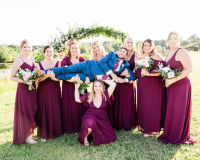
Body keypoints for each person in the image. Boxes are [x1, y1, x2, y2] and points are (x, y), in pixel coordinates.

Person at [158, 32, 195, 144]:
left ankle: (178, 135)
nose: (173, 40)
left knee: (179, 109)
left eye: (175, 38)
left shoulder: (181, 51)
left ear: (179, 40)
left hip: (180, 85)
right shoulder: (170, 51)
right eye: (171, 38)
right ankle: (171, 132)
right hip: (171, 85)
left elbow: (189, 69)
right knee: (172, 109)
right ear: (167, 41)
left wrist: (173, 80)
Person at [36, 47, 136, 83]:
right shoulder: (111, 54)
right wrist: (113, 75)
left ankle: (47, 77)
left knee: (67, 76)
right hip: (87, 65)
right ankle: (43, 72)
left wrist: (124, 79)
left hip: (91, 77)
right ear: (118, 51)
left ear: (126, 56)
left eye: (124, 52)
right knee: (67, 69)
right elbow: (102, 62)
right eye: (121, 51)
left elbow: (134, 76)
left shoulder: (125, 66)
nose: (121, 52)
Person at [134, 39, 165, 137]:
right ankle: (145, 127)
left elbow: (162, 71)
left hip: (154, 85)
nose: (146, 47)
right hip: (142, 85)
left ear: (153, 46)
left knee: (153, 105)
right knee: (144, 105)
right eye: (145, 45)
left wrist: (148, 73)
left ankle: (152, 129)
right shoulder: (140, 58)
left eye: (149, 45)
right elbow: (137, 73)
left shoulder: (157, 56)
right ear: (142, 46)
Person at [10, 39, 37, 144]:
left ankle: (29, 134)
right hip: (23, 90)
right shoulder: (18, 60)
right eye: (25, 47)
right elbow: (12, 77)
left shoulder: (33, 59)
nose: (27, 49)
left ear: (31, 48)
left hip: (32, 89)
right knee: (25, 110)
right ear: (21, 48)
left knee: (31, 109)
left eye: (29, 47)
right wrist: (24, 81)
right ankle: (25, 137)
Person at [75, 79, 117, 146]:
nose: (97, 88)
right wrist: (76, 88)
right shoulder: (89, 95)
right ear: (93, 87)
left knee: (111, 137)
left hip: (102, 120)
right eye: (96, 86)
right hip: (90, 116)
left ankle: (95, 133)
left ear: (103, 87)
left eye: (100, 86)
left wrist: (103, 78)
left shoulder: (106, 94)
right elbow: (77, 99)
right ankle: (85, 138)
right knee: (90, 122)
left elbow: (113, 84)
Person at [36, 45, 62, 142]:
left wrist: (52, 77)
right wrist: (45, 76)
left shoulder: (58, 63)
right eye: (47, 51)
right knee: (44, 108)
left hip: (54, 88)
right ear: (44, 53)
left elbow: (60, 78)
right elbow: (37, 80)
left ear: (53, 53)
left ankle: (56, 131)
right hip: (43, 90)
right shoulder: (38, 65)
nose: (49, 53)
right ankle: (43, 133)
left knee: (54, 108)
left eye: (51, 51)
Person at [113, 36, 140, 130]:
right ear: (125, 43)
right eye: (128, 42)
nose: (130, 44)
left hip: (130, 80)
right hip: (119, 80)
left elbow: (137, 68)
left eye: (131, 42)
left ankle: (129, 122)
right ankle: (119, 122)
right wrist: (120, 73)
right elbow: (114, 66)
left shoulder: (136, 53)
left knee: (129, 101)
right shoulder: (120, 52)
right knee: (119, 100)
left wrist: (129, 74)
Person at [61, 41, 87, 134]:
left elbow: (86, 72)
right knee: (71, 105)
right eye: (72, 48)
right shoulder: (65, 60)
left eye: (76, 48)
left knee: (80, 105)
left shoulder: (82, 59)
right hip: (68, 85)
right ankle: (71, 127)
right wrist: (71, 80)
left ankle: (82, 126)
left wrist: (81, 81)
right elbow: (62, 74)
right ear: (69, 49)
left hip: (81, 85)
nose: (74, 50)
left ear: (78, 49)